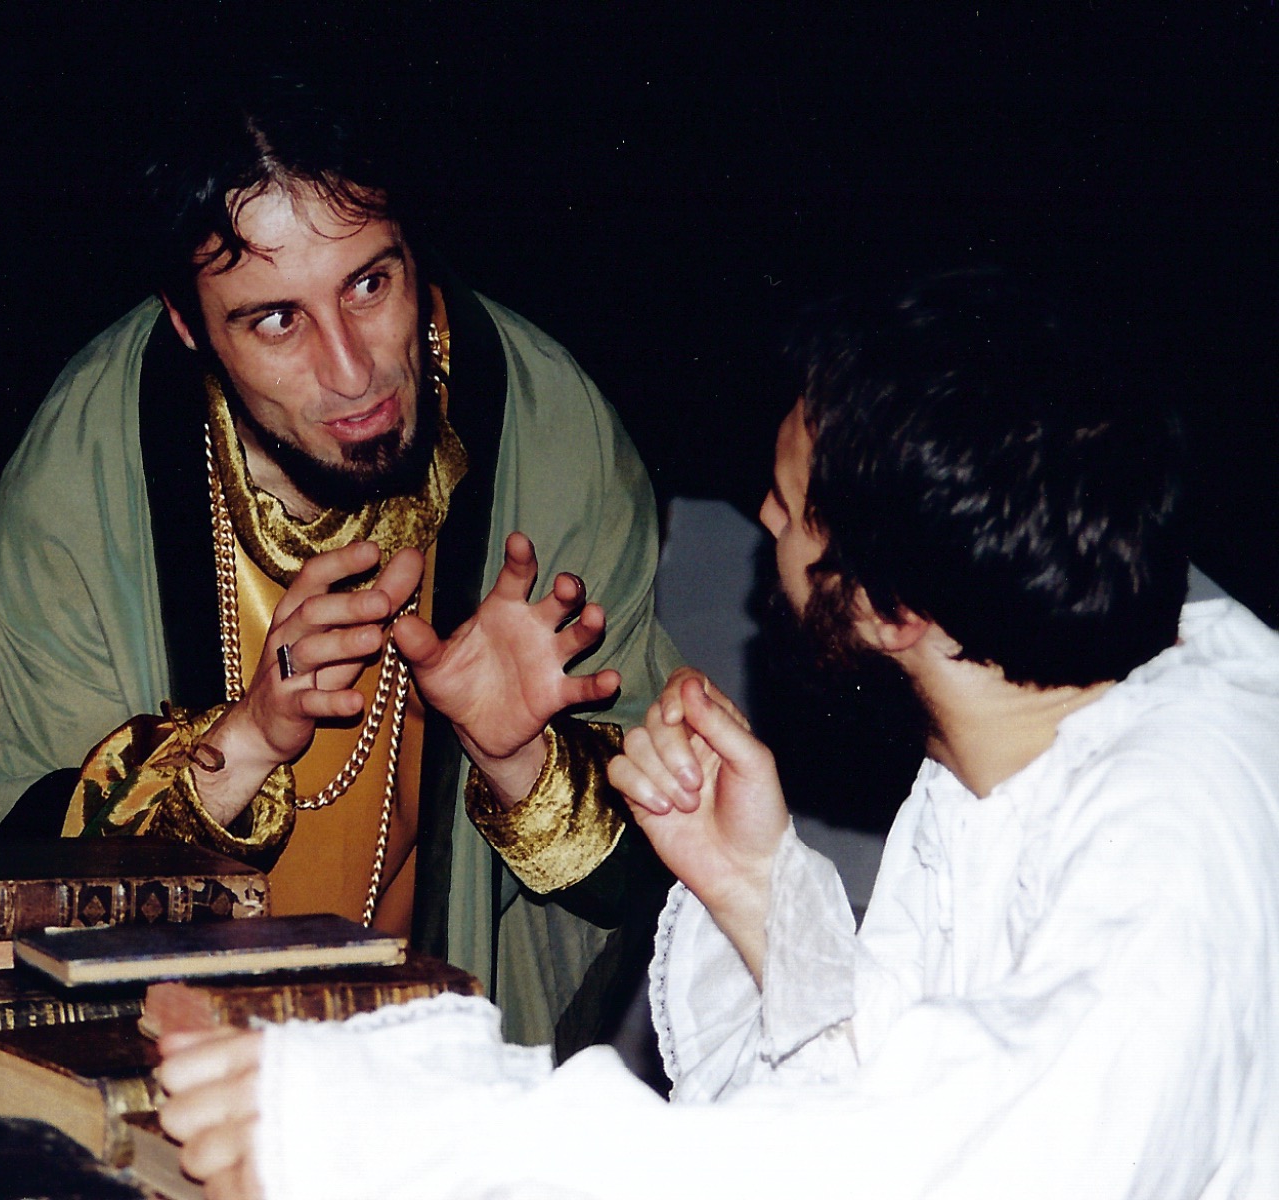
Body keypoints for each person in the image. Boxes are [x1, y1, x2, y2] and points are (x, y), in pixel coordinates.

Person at [155, 271, 1279, 1198]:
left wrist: (358, 1127)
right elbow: (897, 1085)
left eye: (786, 512)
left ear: (894, 610)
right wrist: (755, 890)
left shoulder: (1181, 832)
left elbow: (901, 1171)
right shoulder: (1023, 740)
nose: (764, 529)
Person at [0, 75, 682, 1050]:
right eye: (277, 320)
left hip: (443, 1067)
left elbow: (659, 878)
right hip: (174, 1070)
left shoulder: (553, 434)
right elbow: (15, 877)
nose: (353, 371)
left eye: (370, 285)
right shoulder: (83, 469)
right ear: (188, 325)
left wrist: (519, 760)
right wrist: (242, 744)